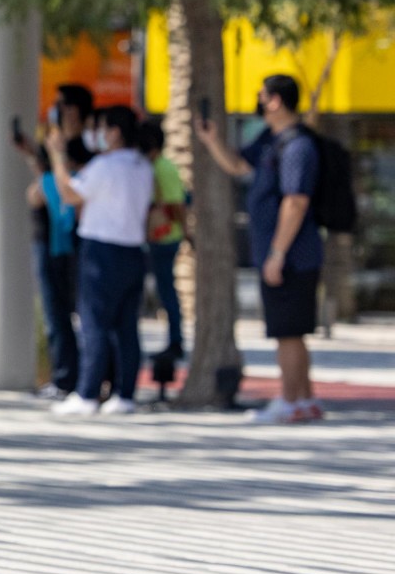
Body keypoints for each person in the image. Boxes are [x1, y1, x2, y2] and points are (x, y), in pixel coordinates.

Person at [196, 73, 324, 424]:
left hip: (292, 256)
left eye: (262, 95)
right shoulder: (271, 140)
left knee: (286, 332)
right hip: (283, 254)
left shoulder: (298, 146)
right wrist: (212, 141)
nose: (258, 101)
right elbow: (238, 165)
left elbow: (296, 202)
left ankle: (290, 401)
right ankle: (305, 400)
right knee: (292, 331)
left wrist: (277, 253)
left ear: (276, 100)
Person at [46, 105, 155, 416]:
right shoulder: (142, 167)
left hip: (102, 251)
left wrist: (57, 156)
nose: (99, 135)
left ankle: (88, 394)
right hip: (133, 250)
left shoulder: (105, 166)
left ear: (116, 132)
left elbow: (70, 194)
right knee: (126, 328)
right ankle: (125, 394)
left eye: (103, 128)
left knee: (93, 324)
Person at [23, 142, 81, 398]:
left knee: (57, 320)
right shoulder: (58, 181)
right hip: (63, 255)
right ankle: (68, 377)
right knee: (62, 321)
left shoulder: (51, 183)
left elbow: (33, 197)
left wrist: (46, 167)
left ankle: (65, 378)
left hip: (55, 256)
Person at [137, 119, 188, 396]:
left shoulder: (163, 168)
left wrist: (187, 232)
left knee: (167, 289)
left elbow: (176, 203)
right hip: (159, 235)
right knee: (163, 288)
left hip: (165, 236)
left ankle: (176, 339)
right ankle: (174, 337)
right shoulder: (153, 166)